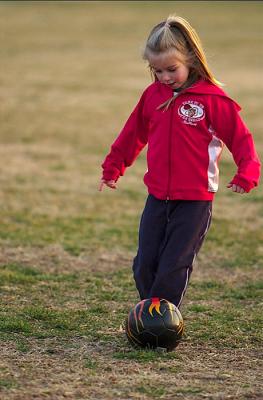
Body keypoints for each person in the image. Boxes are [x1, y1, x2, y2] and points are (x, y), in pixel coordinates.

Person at [98, 15, 261, 308]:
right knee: (144, 264)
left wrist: (246, 172)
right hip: (157, 197)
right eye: (156, 70)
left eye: (171, 69)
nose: (164, 77)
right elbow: (132, 133)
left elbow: (241, 139)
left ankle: (162, 321)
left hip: (194, 202)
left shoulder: (213, 100)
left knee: (173, 267)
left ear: (191, 60)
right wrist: (113, 166)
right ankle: (150, 314)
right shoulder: (152, 96)